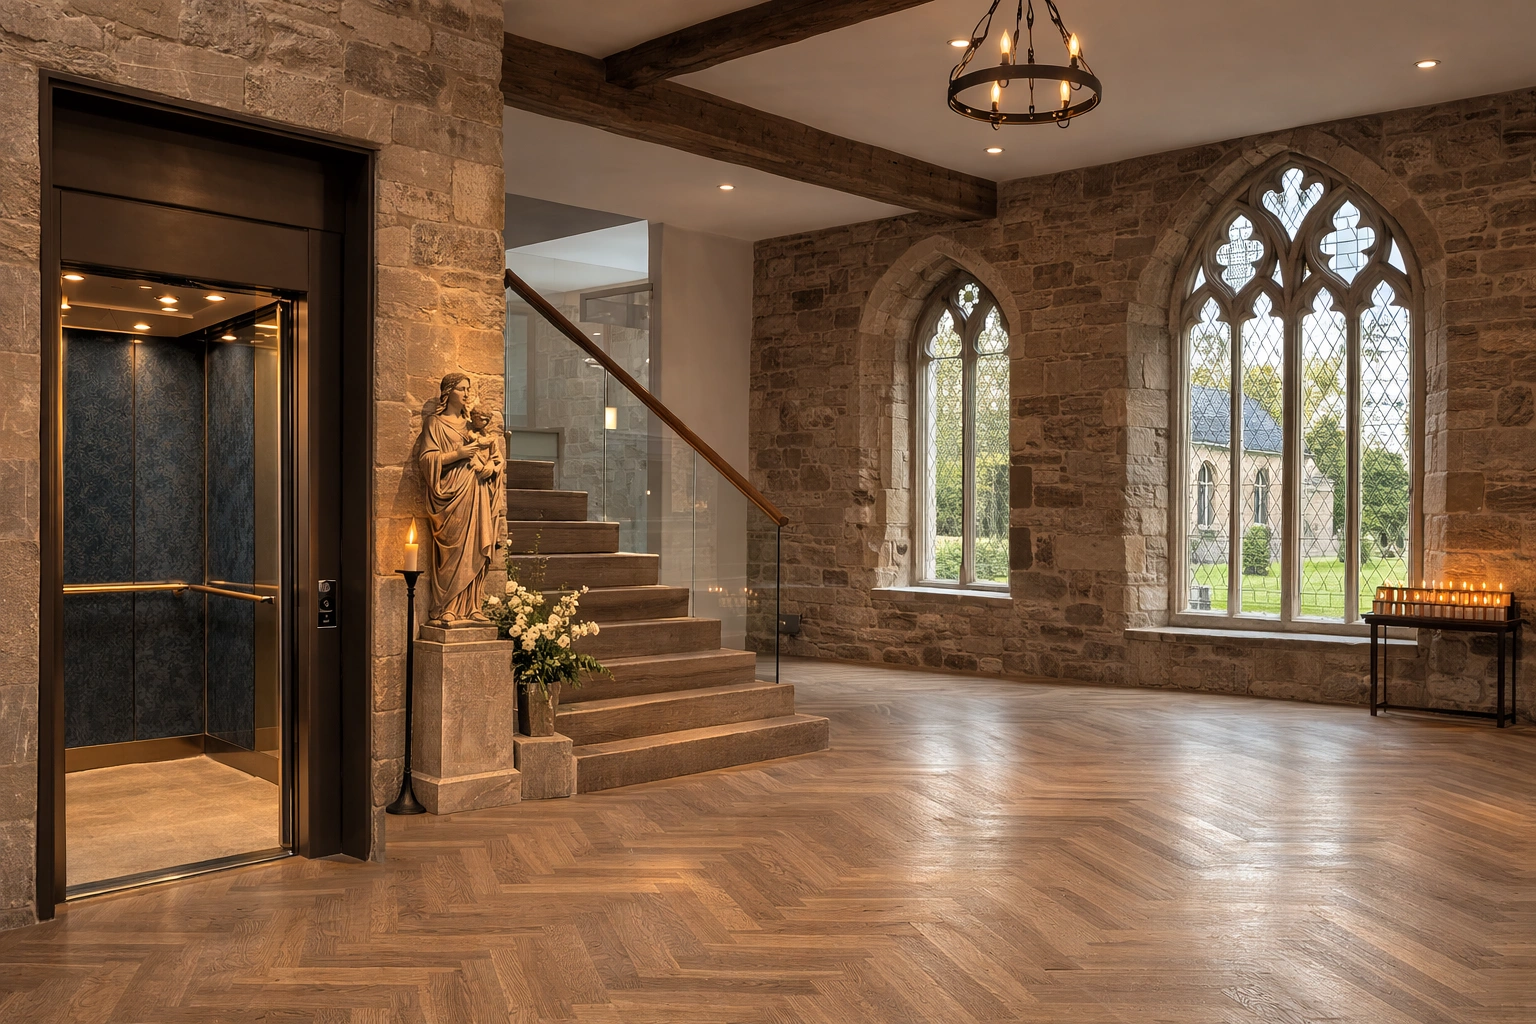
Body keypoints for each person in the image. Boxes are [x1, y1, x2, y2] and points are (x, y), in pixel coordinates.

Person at [417, 373, 501, 626]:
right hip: (451, 496)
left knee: (476, 544)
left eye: (468, 389)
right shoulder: (436, 423)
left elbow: (495, 457)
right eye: (461, 389)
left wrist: (492, 469)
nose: (466, 394)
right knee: (452, 549)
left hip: (476, 490)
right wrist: (458, 454)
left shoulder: (473, 425)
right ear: (448, 392)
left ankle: (472, 605)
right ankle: (447, 606)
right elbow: (427, 460)